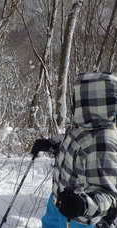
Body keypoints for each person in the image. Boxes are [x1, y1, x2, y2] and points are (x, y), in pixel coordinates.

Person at [32, 72, 117, 228]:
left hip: (79, 219)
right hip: (58, 205)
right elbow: (75, 151)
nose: (75, 101)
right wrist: (51, 145)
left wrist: (83, 205)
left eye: (78, 96)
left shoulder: (104, 141)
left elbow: (109, 196)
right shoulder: (82, 127)